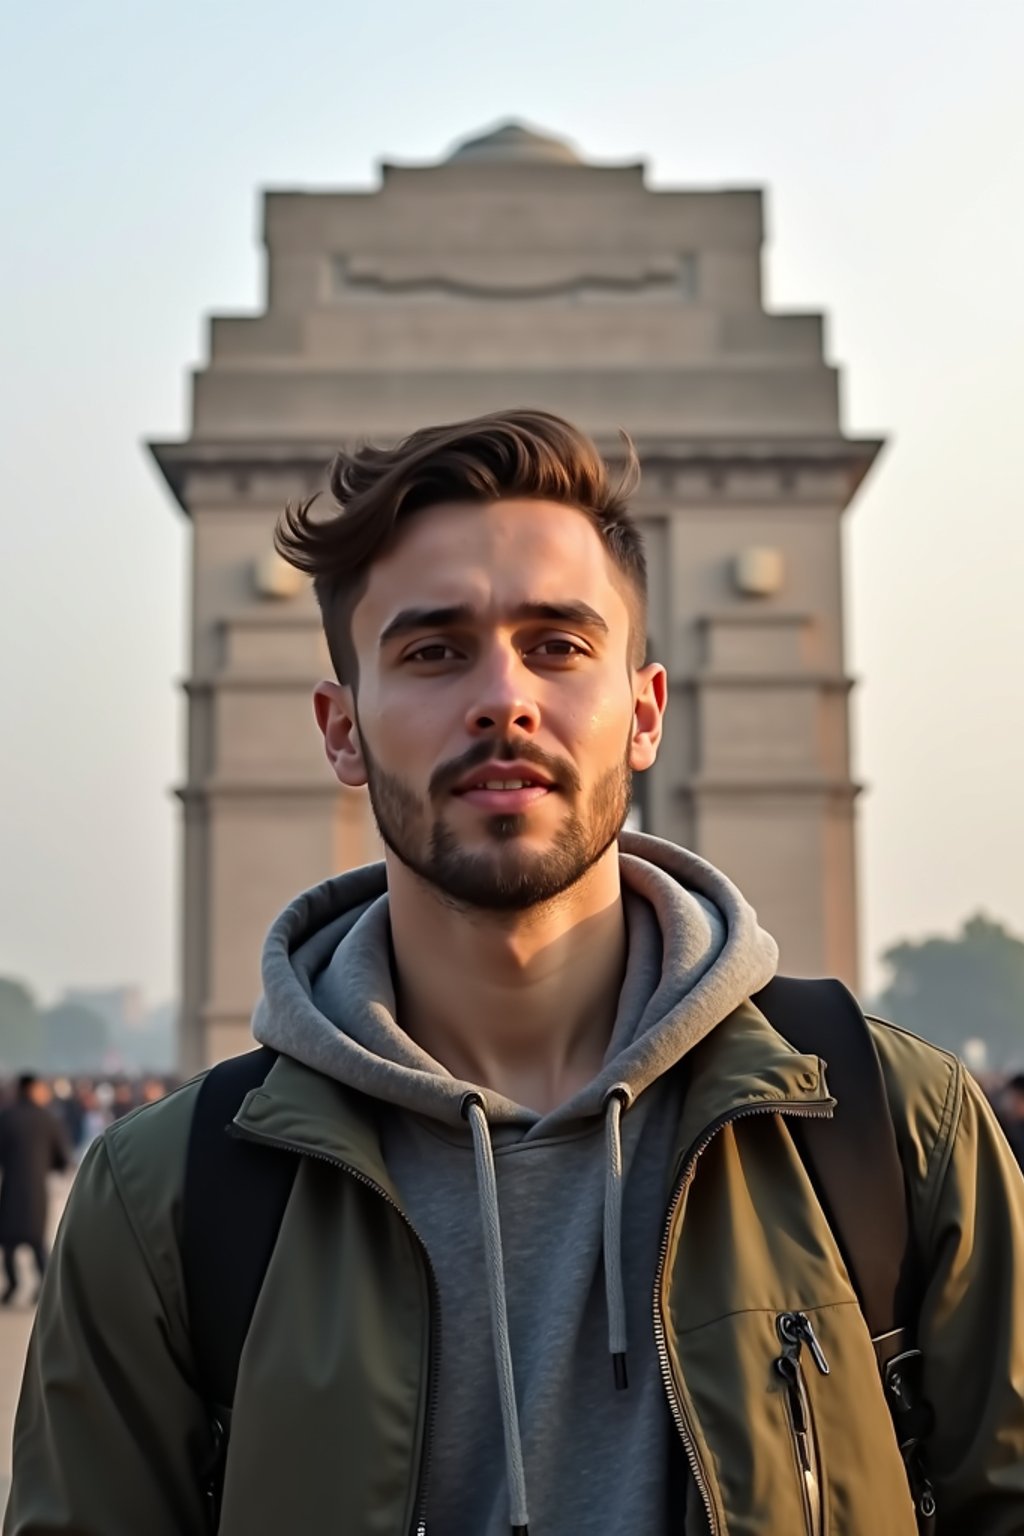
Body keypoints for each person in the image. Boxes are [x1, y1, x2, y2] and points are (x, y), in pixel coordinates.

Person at [7, 410, 1024, 1535]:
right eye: (434, 650)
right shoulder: (164, 1207)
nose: (504, 697)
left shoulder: (898, 1133)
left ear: (642, 713)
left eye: (558, 644)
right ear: (341, 730)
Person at [0, 1075, 69, 1305]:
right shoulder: (48, 1118)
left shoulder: (6, 1117)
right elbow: (61, 1158)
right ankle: (44, 1287)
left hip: (10, 1187)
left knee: (8, 1241)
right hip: (36, 1188)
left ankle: (13, 1285)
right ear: (33, 1090)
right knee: (36, 1240)